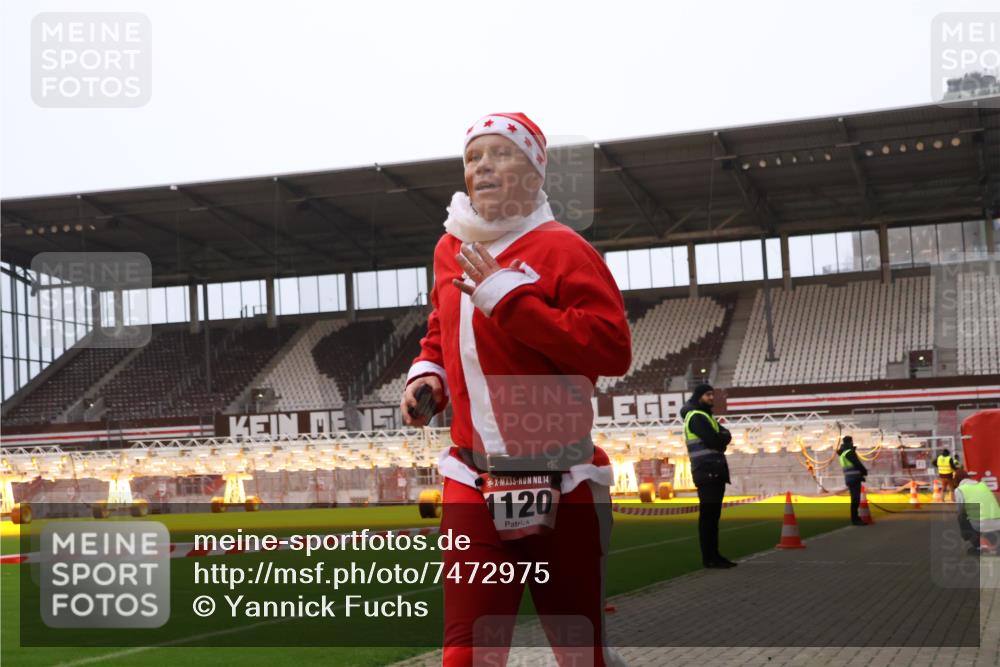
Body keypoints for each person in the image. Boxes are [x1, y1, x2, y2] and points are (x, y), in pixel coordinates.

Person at [399, 112, 631, 666]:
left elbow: (611, 349)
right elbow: (441, 327)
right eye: (473, 157)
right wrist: (427, 372)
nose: (482, 166)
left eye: (500, 153)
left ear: (533, 171)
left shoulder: (564, 248)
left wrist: (512, 303)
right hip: (471, 480)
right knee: (466, 655)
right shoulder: (449, 248)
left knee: (580, 652)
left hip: (564, 479)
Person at [680, 383, 736, 569]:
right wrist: (722, 439)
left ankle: (714, 555)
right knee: (709, 518)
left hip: (711, 471)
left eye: (712, 394)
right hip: (707, 471)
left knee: (712, 518)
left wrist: (722, 438)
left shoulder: (705, 416)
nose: (711, 397)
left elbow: (724, 436)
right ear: (699, 397)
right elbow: (716, 440)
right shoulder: (696, 417)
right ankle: (710, 558)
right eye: (708, 394)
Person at [954, 469, 1000, 556]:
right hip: (998, 520)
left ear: (957, 481)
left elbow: (960, 510)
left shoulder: (959, 489)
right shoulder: (983, 485)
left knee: (961, 517)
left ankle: (978, 546)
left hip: (981, 524)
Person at [837, 435, 868, 526]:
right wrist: (864, 472)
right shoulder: (849, 452)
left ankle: (855, 518)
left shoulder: (842, 453)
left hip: (849, 478)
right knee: (855, 499)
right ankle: (855, 519)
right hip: (854, 478)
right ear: (850, 442)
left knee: (854, 499)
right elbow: (857, 464)